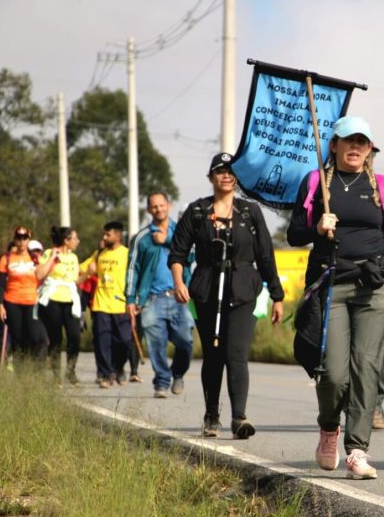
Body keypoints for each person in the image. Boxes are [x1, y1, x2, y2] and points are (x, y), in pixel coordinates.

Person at [288, 116, 384, 480]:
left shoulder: (382, 186)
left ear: (370, 149)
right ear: (334, 145)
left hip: (377, 285)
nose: (355, 147)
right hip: (332, 284)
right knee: (334, 374)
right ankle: (328, 428)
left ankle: (357, 450)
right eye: (348, 140)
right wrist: (317, 226)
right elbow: (293, 234)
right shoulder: (316, 183)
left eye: (362, 142)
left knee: (367, 367)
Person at [169, 152, 284, 439]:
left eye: (231, 171)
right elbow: (177, 253)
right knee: (213, 354)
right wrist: (179, 282)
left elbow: (265, 256)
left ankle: (239, 418)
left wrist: (278, 296)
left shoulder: (249, 212)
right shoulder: (197, 211)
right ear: (210, 177)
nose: (226, 175)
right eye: (220, 171)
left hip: (244, 289)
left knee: (236, 353)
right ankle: (211, 415)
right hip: (206, 290)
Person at [127, 192, 194, 398]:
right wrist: (130, 299)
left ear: (169, 205)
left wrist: (168, 241)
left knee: (185, 340)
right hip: (151, 299)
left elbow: (192, 255)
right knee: (156, 345)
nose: (159, 209)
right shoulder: (142, 238)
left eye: (162, 205)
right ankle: (162, 382)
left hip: (179, 296)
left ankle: (178, 373)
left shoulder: (182, 231)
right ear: (149, 210)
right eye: (154, 206)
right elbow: (133, 269)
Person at [84, 221, 133, 387]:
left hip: (121, 304)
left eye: (108, 234)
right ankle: (106, 374)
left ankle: (118, 367)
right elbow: (82, 269)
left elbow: (135, 276)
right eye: (104, 234)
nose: (104, 237)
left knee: (125, 341)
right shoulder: (99, 254)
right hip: (101, 304)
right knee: (102, 341)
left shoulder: (127, 254)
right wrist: (89, 269)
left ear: (118, 236)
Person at [36, 226, 82, 385]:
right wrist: (52, 258)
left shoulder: (74, 258)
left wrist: (88, 273)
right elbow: (40, 273)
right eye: (75, 238)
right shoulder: (49, 253)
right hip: (52, 300)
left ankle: (70, 370)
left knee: (75, 336)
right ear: (66, 240)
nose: (78, 241)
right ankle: (56, 375)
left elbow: (75, 279)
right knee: (56, 339)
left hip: (70, 300)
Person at [0, 227, 47, 361]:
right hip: (12, 301)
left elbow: (44, 274)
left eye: (24, 238)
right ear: (15, 240)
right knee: (17, 337)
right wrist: (0, 304)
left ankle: (35, 364)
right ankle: (20, 367)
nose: (21, 241)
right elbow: (0, 284)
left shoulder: (35, 258)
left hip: (31, 301)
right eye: (19, 238)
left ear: (28, 240)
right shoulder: (6, 259)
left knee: (35, 335)